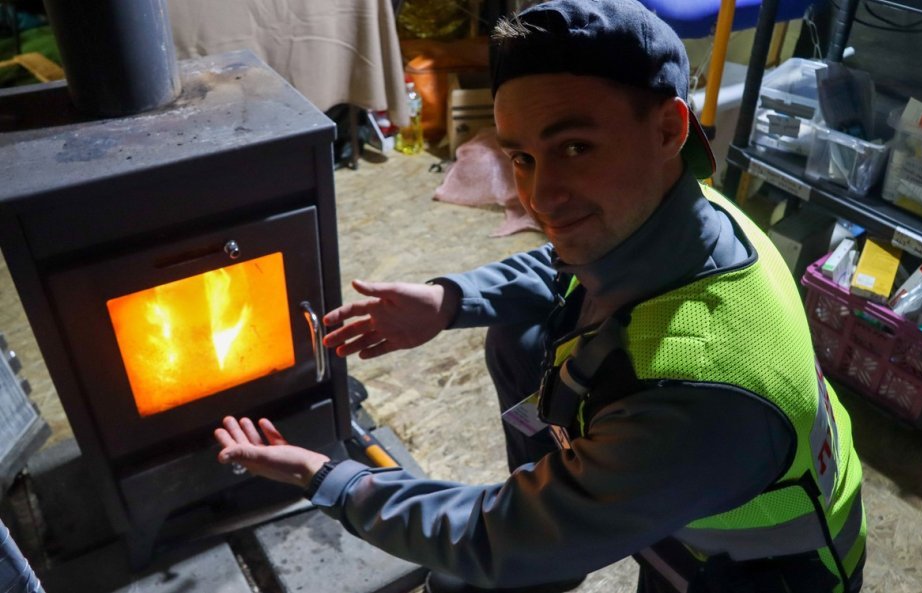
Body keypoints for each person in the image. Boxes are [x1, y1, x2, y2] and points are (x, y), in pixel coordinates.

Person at [214, 1, 867, 591]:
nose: (541, 197)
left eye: (576, 147)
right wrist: (449, 299)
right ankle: (565, 543)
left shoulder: (691, 392)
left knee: (482, 567)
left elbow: (493, 537)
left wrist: (327, 476)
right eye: (522, 157)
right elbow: (566, 266)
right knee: (521, 332)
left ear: (669, 128)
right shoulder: (694, 209)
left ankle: (560, 538)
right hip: (698, 501)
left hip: (752, 574)